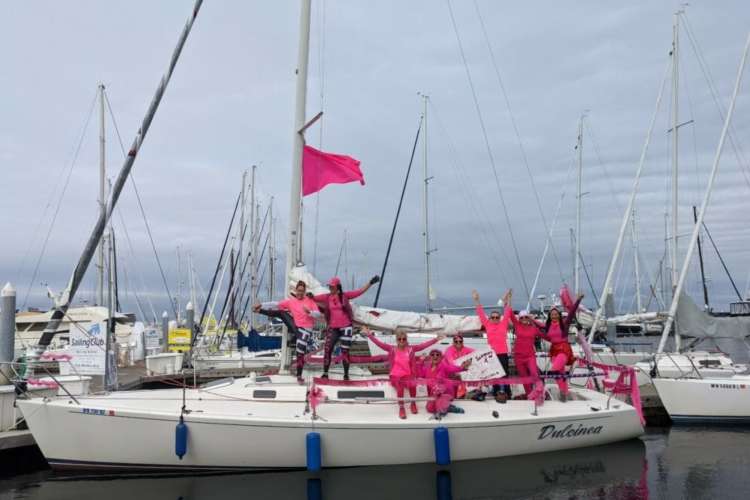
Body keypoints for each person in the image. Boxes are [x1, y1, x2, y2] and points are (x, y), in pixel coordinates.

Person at [366, 328, 443, 419]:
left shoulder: (410, 349)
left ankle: (413, 403)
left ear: (406, 339)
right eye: (399, 339)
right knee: (400, 384)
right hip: (395, 376)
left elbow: (423, 346)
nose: (402, 341)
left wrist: (436, 339)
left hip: (408, 375)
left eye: (404, 339)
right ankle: (401, 407)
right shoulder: (392, 349)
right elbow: (379, 344)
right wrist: (369, 334)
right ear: (397, 340)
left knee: (413, 384)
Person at [313, 275, 379, 380]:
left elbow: (360, 291)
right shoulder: (327, 297)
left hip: (346, 327)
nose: (330, 288)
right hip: (333, 327)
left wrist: (370, 283)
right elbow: (313, 298)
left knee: (345, 351)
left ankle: (346, 374)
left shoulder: (345, 296)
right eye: (329, 286)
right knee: (327, 349)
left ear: (338, 286)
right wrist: (305, 296)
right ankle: (325, 373)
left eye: (332, 286)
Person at [253, 280, 320, 383]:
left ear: (305, 291)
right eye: (298, 290)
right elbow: (275, 304)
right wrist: (261, 305)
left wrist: (310, 312)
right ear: (296, 290)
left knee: (300, 351)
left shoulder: (310, 301)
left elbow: (318, 314)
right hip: (296, 327)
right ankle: (259, 311)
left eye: (302, 291)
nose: (300, 293)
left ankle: (299, 376)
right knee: (281, 312)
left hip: (306, 330)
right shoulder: (291, 302)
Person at [540, 288, 584, 402]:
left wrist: (578, 300)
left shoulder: (564, 323)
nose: (554, 316)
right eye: (552, 314)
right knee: (560, 373)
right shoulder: (548, 326)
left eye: (556, 314)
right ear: (550, 316)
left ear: (559, 315)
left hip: (564, 349)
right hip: (554, 350)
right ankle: (564, 392)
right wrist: (530, 319)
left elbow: (572, 312)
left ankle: (562, 391)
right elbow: (537, 324)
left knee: (554, 370)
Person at [472, 289, 512, 403]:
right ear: (490, 318)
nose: (495, 318)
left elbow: (507, 310)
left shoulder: (503, 324)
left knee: (504, 375)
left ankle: (507, 394)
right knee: (494, 375)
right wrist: (476, 300)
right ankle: (496, 393)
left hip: (503, 353)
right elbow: (480, 312)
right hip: (492, 354)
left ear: (499, 318)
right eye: (493, 317)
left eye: (497, 317)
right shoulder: (487, 324)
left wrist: (509, 299)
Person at [505, 289, 544, 400]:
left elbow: (546, 335)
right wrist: (509, 299)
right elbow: (510, 312)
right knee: (524, 378)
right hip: (518, 357)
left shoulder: (534, 329)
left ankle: (539, 391)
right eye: (521, 317)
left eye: (526, 317)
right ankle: (529, 395)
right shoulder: (517, 325)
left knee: (534, 374)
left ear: (529, 318)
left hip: (530, 356)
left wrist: (559, 341)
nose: (523, 319)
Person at [419, 349, 471, 416]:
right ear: (430, 357)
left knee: (441, 410)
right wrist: (421, 361)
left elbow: (452, 368)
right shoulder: (427, 367)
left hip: (444, 393)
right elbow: (420, 375)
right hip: (433, 394)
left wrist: (462, 367)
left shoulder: (443, 366)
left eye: (437, 355)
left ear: (441, 357)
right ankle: (448, 407)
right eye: (433, 355)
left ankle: (448, 407)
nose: (435, 356)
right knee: (429, 409)